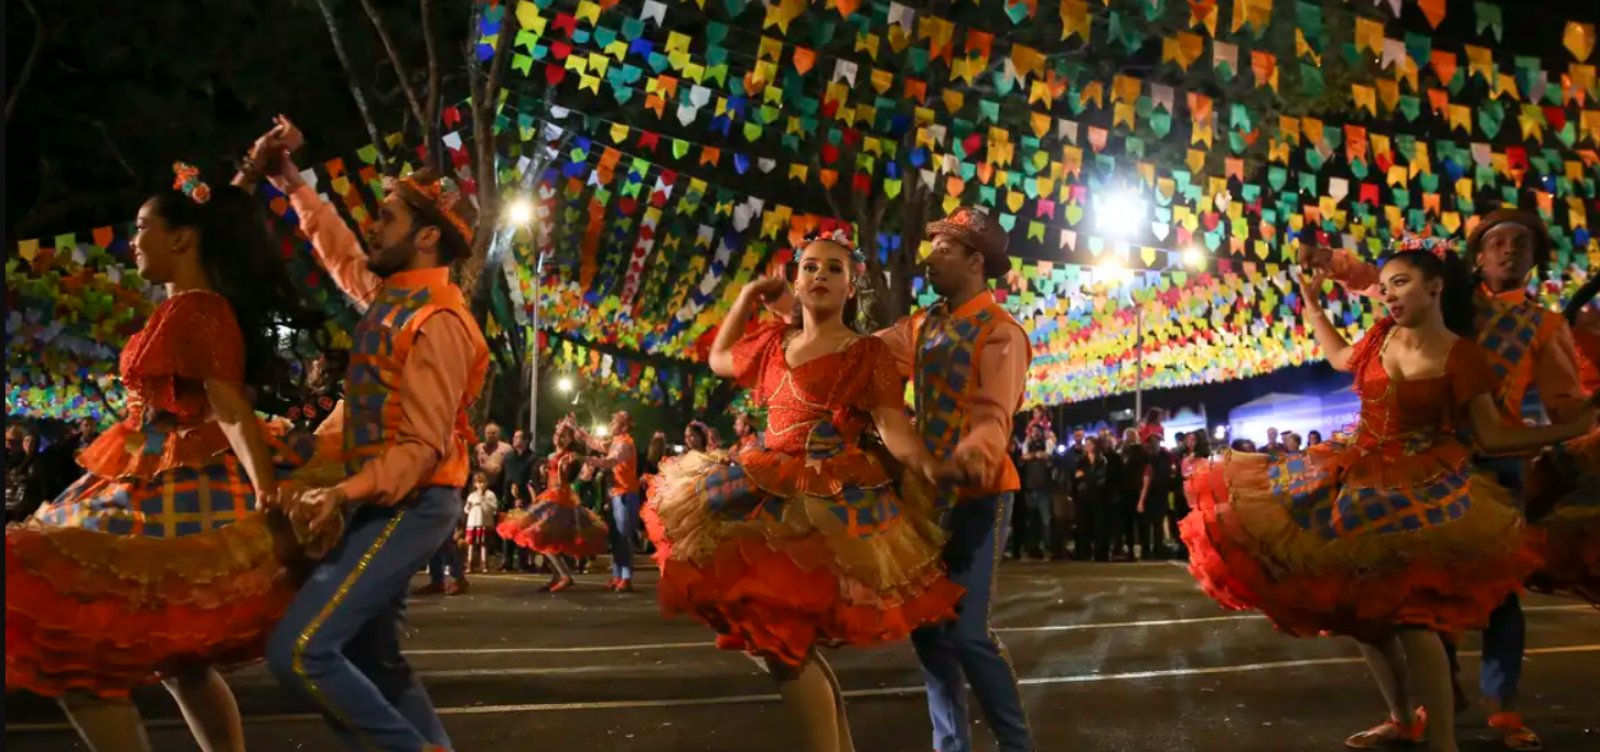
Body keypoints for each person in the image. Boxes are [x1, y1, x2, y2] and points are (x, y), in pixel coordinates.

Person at [1182, 239, 1594, 752]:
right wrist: (1311, 304)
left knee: (1412, 616)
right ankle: (1403, 717)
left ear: (1436, 287)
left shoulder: (1464, 357)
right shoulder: (1380, 336)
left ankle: (1445, 739)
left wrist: (1571, 427)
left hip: (1427, 485)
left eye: (1400, 285)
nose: (1388, 296)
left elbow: (1494, 436)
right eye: (1385, 288)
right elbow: (1337, 357)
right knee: (1362, 614)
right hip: (1354, 476)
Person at [6, 166, 325, 751]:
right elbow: (214, 213)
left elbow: (229, 407)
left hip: (170, 482)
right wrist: (248, 176)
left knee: (84, 657)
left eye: (141, 227)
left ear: (181, 239)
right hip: (142, 470)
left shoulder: (198, 311)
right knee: (181, 664)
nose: (132, 240)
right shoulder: (186, 305)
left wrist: (267, 495)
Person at [647, 232, 962, 752]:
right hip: (760, 490)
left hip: (823, 505)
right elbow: (719, 359)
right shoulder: (775, 342)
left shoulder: (867, 353)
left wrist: (930, 466)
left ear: (852, 286)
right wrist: (748, 295)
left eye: (834, 269)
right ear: (794, 281)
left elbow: (893, 426)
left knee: (785, 646)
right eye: (810, 267)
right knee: (783, 647)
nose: (820, 276)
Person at [1308, 214, 1587, 749]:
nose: (1508, 252)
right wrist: (1331, 266)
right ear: (1475, 258)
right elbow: (1380, 280)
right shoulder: (1441, 298)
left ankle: (1502, 708)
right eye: (1496, 243)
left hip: (1495, 459)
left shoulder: (1545, 326)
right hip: (1412, 464)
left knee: (1497, 592)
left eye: (1520, 244)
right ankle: (1433, 701)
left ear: (1535, 258)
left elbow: (1564, 403)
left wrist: (1577, 425)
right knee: (1410, 595)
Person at [258, 118, 490, 752]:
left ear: (424, 236)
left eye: (385, 217)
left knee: (302, 652)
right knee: (377, 662)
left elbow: (421, 450)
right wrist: (289, 177)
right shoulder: (393, 296)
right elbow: (333, 247)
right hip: (382, 497)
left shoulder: (440, 321)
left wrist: (340, 494)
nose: (372, 225)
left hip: (414, 501)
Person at [873, 207, 1035, 752]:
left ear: (975, 261)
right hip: (926, 495)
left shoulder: (1000, 331)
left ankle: (1016, 745)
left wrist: (975, 451)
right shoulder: (923, 324)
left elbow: (995, 413)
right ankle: (950, 747)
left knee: (966, 633)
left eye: (944, 249)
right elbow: (866, 355)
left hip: (980, 493)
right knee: (929, 635)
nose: (930, 258)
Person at [500, 421, 609, 592]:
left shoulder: (568, 456)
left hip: (560, 498)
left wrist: (562, 466)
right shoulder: (551, 456)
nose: (558, 438)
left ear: (569, 439)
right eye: (557, 434)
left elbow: (563, 478)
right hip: (551, 495)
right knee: (546, 537)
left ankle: (564, 575)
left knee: (542, 537)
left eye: (563, 435)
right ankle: (557, 576)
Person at [572, 411, 642, 592]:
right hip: (616, 494)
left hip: (625, 493)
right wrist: (578, 430)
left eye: (614, 421)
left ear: (624, 426)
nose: (611, 423)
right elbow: (597, 444)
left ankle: (625, 577)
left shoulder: (625, 443)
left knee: (623, 536)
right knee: (616, 536)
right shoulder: (616, 442)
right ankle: (618, 575)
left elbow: (609, 462)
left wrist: (585, 459)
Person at [498, 429, 537, 571]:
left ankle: (523, 562)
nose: (514, 439)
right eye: (514, 437)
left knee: (523, 532)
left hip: (525, 499)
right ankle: (506, 561)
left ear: (526, 441)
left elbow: (533, 480)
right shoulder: (508, 458)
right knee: (507, 531)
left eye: (518, 437)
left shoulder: (533, 458)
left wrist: (524, 498)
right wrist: (505, 497)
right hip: (509, 499)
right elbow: (504, 478)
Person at [1016, 422, 1054, 560]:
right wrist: (1031, 455)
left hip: (1043, 489)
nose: (1035, 434)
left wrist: (1042, 455)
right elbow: (1022, 459)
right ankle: (1031, 549)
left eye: (1037, 431)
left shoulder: (1047, 445)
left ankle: (1047, 550)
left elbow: (1049, 458)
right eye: (1033, 431)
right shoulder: (1026, 446)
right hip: (1029, 489)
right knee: (1031, 522)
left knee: (1046, 522)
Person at [1072, 437, 1113, 562]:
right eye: (1087, 444)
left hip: (1098, 496)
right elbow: (1076, 477)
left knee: (1099, 525)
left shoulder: (1102, 460)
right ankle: (1084, 552)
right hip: (1083, 496)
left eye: (1091, 444)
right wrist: (1086, 477)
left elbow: (1101, 477)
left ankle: (1100, 553)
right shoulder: (1081, 460)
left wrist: (1086, 476)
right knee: (1084, 524)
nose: (1088, 446)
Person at [1138, 434, 1172, 560]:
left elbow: (1167, 473)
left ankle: (1158, 549)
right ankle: (1146, 551)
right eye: (1151, 442)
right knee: (1146, 525)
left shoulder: (1166, 456)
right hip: (1148, 493)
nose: (1154, 444)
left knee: (1158, 524)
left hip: (1160, 494)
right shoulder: (1145, 457)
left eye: (1156, 441)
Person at [463, 472, 499, 573]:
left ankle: (484, 565)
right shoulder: (471, 495)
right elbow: (466, 509)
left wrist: (483, 500)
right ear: (475, 484)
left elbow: (494, 507)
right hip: (472, 522)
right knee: (470, 544)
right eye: (478, 483)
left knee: (484, 544)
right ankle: (469, 564)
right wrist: (468, 507)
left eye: (482, 482)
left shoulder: (490, 494)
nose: (481, 485)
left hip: (485, 522)